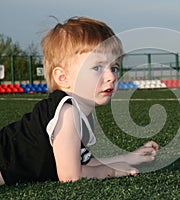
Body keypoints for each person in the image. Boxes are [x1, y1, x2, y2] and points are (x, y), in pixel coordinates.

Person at [0, 16, 159, 186]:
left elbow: (83, 162)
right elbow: (70, 175)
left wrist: (128, 157)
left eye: (114, 68)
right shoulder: (68, 112)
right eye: (97, 68)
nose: (111, 76)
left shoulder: (83, 113)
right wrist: (111, 171)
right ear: (63, 77)